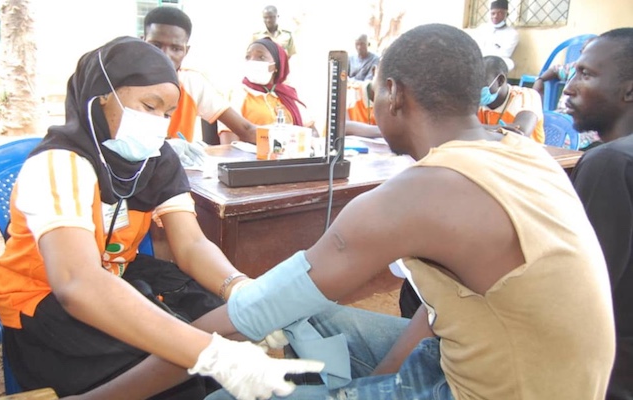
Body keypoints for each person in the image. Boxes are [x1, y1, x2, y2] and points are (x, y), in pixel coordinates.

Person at [201, 23, 616, 400]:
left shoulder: (424, 191)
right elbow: (446, 306)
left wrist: (163, 355)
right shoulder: (522, 152)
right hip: (540, 378)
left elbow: (256, 309)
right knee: (310, 318)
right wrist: (375, 384)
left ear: (394, 93)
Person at [0, 36, 322, 400]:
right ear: (100, 97)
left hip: (116, 274)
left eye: (167, 113)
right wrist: (211, 354)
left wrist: (240, 289)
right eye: (149, 106)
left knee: (221, 318)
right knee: (166, 373)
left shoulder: (156, 160)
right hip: (42, 302)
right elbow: (76, 283)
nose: (158, 124)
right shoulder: (57, 165)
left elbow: (191, 244)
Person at [565, 27, 633, 400]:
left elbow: (584, 291)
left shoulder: (610, 162)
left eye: (586, 74)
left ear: (629, 90)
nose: (569, 88)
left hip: (606, 377)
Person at [143, 6, 258, 144]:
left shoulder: (191, 83)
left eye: (176, 49)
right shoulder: (124, 80)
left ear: (186, 51)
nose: (165, 55)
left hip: (175, 159)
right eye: (156, 45)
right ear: (141, 42)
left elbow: (246, 129)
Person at [222, 37, 317, 142]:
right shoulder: (238, 94)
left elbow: (312, 132)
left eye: (261, 57)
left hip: (291, 151)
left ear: (276, 66)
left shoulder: (288, 95)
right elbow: (228, 143)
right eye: (248, 57)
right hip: (252, 152)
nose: (252, 61)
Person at [532, 38, 602, 150]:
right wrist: (540, 80)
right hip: (561, 116)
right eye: (583, 52)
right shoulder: (574, 67)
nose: (568, 90)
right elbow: (556, 69)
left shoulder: (601, 75)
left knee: (562, 142)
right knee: (534, 132)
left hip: (584, 123)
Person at [477, 55, 545, 143]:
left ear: (500, 81)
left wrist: (474, 128)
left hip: (525, 151)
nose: (475, 88)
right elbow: (460, 128)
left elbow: (520, 134)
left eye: (481, 81)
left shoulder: (527, 96)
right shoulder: (474, 99)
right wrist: (499, 129)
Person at [473, 0, 519, 71]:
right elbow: (475, 46)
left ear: (506, 15)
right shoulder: (482, 28)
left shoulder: (512, 33)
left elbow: (505, 54)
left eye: (500, 13)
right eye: (493, 13)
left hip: (496, 62)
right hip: (479, 58)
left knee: (509, 63)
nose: (495, 16)